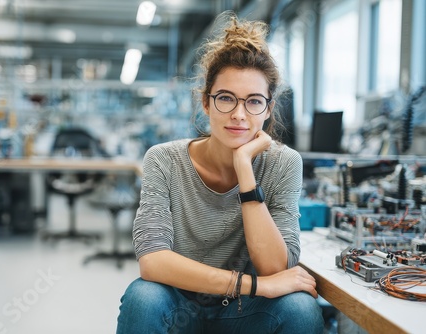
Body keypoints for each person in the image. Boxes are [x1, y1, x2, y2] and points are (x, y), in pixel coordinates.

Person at [117, 11, 324, 334]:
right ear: (206, 102)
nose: (239, 115)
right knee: (142, 298)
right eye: (226, 98)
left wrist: (245, 169)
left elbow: (275, 267)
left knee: (300, 309)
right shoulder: (164, 160)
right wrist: (253, 286)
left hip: (244, 313)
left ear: (268, 109)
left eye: (254, 102)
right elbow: (153, 261)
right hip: (179, 302)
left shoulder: (284, 163)